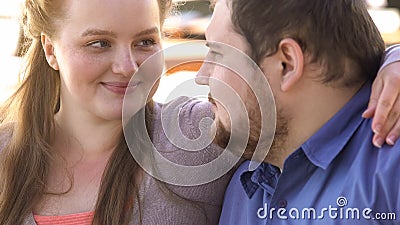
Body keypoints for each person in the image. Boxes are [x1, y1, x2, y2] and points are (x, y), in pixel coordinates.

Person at [0, 0, 400, 225]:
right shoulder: (5, 157)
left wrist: (392, 61)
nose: (127, 66)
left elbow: (331, 54)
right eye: (98, 44)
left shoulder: (202, 136)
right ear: (50, 50)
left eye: (145, 41)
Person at [194, 0, 400, 224]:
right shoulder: (244, 190)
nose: (202, 76)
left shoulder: (390, 171)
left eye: (217, 53)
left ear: (288, 64)